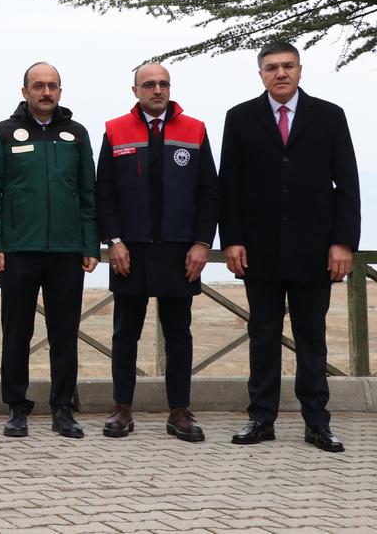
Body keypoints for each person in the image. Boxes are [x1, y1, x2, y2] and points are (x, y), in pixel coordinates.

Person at [220, 41, 360, 452]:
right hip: (258, 249)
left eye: (287, 66)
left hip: (314, 250)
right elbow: (229, 185)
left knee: (311, 338)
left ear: (300, 70)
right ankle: (260, 419)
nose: (280, 73)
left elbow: (347, 184)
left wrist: (343, 243)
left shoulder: (330, 116)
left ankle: (317, 422)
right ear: (260, 74)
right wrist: (232, 240)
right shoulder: (240, 117)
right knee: (262, 335)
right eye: (271, 67)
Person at [95, 63, 217, 442]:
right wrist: (113, 241)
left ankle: (179, 411)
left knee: (179, 334)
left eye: (163, 83)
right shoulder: (115, 130)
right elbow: (104, 192)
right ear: (135, 91)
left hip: (181, 251)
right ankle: (122, 408)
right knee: (124, 334)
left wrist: (202, 243)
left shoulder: (195, 129)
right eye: (149, 84)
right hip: (129, 251)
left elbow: (209, 192)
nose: (157, 90)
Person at [0, 61, 98, 439]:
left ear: (60, 91)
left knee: (64, 334)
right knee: (17, 332)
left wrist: (89, 243)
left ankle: (63, 408)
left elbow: (87, 192)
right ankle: (17, 407)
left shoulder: (76, 134)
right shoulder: (1, 133)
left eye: (52, 86)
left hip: (67, 250)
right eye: (38, 86)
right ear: (25, 91)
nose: (46, 92)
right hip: (19, 250)